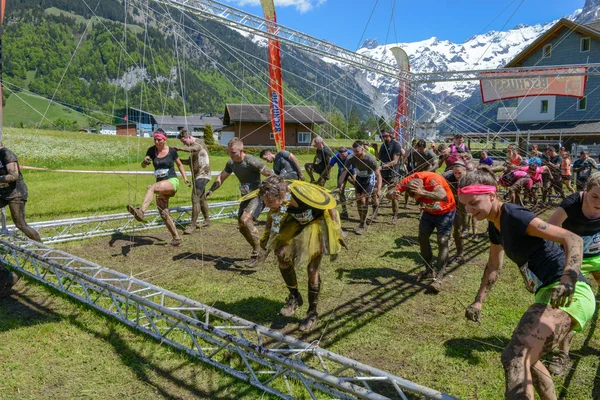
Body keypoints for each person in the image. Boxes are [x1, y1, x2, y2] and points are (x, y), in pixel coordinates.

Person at [458, 167, 595, 399]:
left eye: (473, 203)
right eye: (465, 205)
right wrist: (478, 301)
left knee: (515, 356)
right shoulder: (495, 225)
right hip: (547, 294)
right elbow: (493, 266)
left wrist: (569, 277)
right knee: (529, 360)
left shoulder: (513, 215)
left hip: (571, 293)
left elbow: (571, 238)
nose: (469, 210)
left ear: (491, 195)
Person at [258, 176, 345, 332]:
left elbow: (329, 204)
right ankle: (294, 297)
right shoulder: (282, 203)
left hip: (318, 223)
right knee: (281, 255)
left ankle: (312, 312)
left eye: (269, 202)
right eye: (265, 202)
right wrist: (269, 236)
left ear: (282, 195)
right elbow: (275, 217)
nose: (267, 205)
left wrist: (337, 231)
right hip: (296, 222)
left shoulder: (301, 195)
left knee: (312, 270)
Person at [545, 173, 600, 375]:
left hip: (598, 256)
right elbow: (548, 229)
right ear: (585, 190)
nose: (599, 203)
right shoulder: (571, 204)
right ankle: (562, 353)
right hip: (573, 259)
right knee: (570, 303)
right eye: (595, 197)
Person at [207, 138, 273, 267]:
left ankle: (258, 253)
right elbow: (221, 176)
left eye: (233, 152)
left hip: (257, 196)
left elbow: (270, 174)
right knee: (242, 228)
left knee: (245, 220)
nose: (230, 155)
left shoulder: (251, 161)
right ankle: (258, 248)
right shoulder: (231, 163)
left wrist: (268, 191)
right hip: (245, 197)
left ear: (241, 150)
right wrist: (211, 189)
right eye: (229, 152)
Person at [396, 171, 456, 292]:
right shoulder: (410, 180)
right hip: (429, 212)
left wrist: (422, 193)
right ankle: (428, 271)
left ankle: (439, 277)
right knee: (422, 239)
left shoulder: (434, 180)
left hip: (446, 212)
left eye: (415, 196)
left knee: (442, 240)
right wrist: (393, 194)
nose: (416, 200)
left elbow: (442, 196)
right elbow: (390, 192)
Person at [127, 132, 189, 247]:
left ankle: (141, 212)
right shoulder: (151, 150)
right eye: (155, 140)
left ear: (164, 140)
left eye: (159, 140)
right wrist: (145, 162)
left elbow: (180, 165)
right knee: (164, 213)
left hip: (171, 182)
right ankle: (176, 239)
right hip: (160, 186)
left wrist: (185, 178)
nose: (157, 142)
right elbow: (144, 165)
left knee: (151, 188)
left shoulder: (172, 151)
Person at [0, 144, 42, 296]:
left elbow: (14, 175)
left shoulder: (7, 154)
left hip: (16, 193)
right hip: (3, 193)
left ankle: (41, 248)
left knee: (20, 224)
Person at [338, 141, 381, 235]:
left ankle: (362, 223)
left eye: (357, 151)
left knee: (363, 200)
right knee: (358, 199)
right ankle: (362, 220)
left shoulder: (370, 159)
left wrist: (379, 189)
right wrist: (339, 185)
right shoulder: (351, 157)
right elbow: (344, 171)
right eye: (354, 151)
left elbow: (378, 174)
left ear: (363, 149)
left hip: (369, 178)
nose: (355, 154)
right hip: (359, 177)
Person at [173, 130, 211, 234]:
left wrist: (179, 148)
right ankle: (207, 220)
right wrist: (176, 159)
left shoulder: (198, 143)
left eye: (184, 141)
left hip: (202, 175)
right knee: (202, 198)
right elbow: (188, 161)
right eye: (182, 143)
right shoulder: (193, 149)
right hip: (199, 176)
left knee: (195, 198)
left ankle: (192, 225)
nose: (183, 143)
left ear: (189, 137)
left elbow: (194, 148)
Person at [443, 161, 469, 262]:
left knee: (459, 229)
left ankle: (466, 228)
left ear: (465, 171)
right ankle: (459, 254)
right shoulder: (448, 177)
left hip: (468, 205)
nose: (457, 175)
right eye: (455, 173)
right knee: (456, 229)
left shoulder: (470, 179)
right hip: (454, 205)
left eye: (459, 173)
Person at [376, 130, 404, 224]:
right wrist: (375, 149)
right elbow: (378, 158)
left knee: (393, 195)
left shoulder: (396, 145)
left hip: (393, 174)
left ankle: (395, 216)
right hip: (383, 174)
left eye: (384, 136)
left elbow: (395, 161)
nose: (383, 138)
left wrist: (383, 166)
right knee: (376, 191)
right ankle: (375, 213)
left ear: (390, 135)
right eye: (381, 136)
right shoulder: (383, 145)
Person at [326, 146, 354, 219]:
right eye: (342, 156)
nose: (343, 158)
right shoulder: (336, 157)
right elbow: (329, 167)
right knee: (340, 191)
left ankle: (357, 201)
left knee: (357, 185)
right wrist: (323, 176)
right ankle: (344, 211)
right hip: (342, 173)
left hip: (353, 171)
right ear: (339, 154)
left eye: (345, 156)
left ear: (347, 153)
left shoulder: (352, 154)